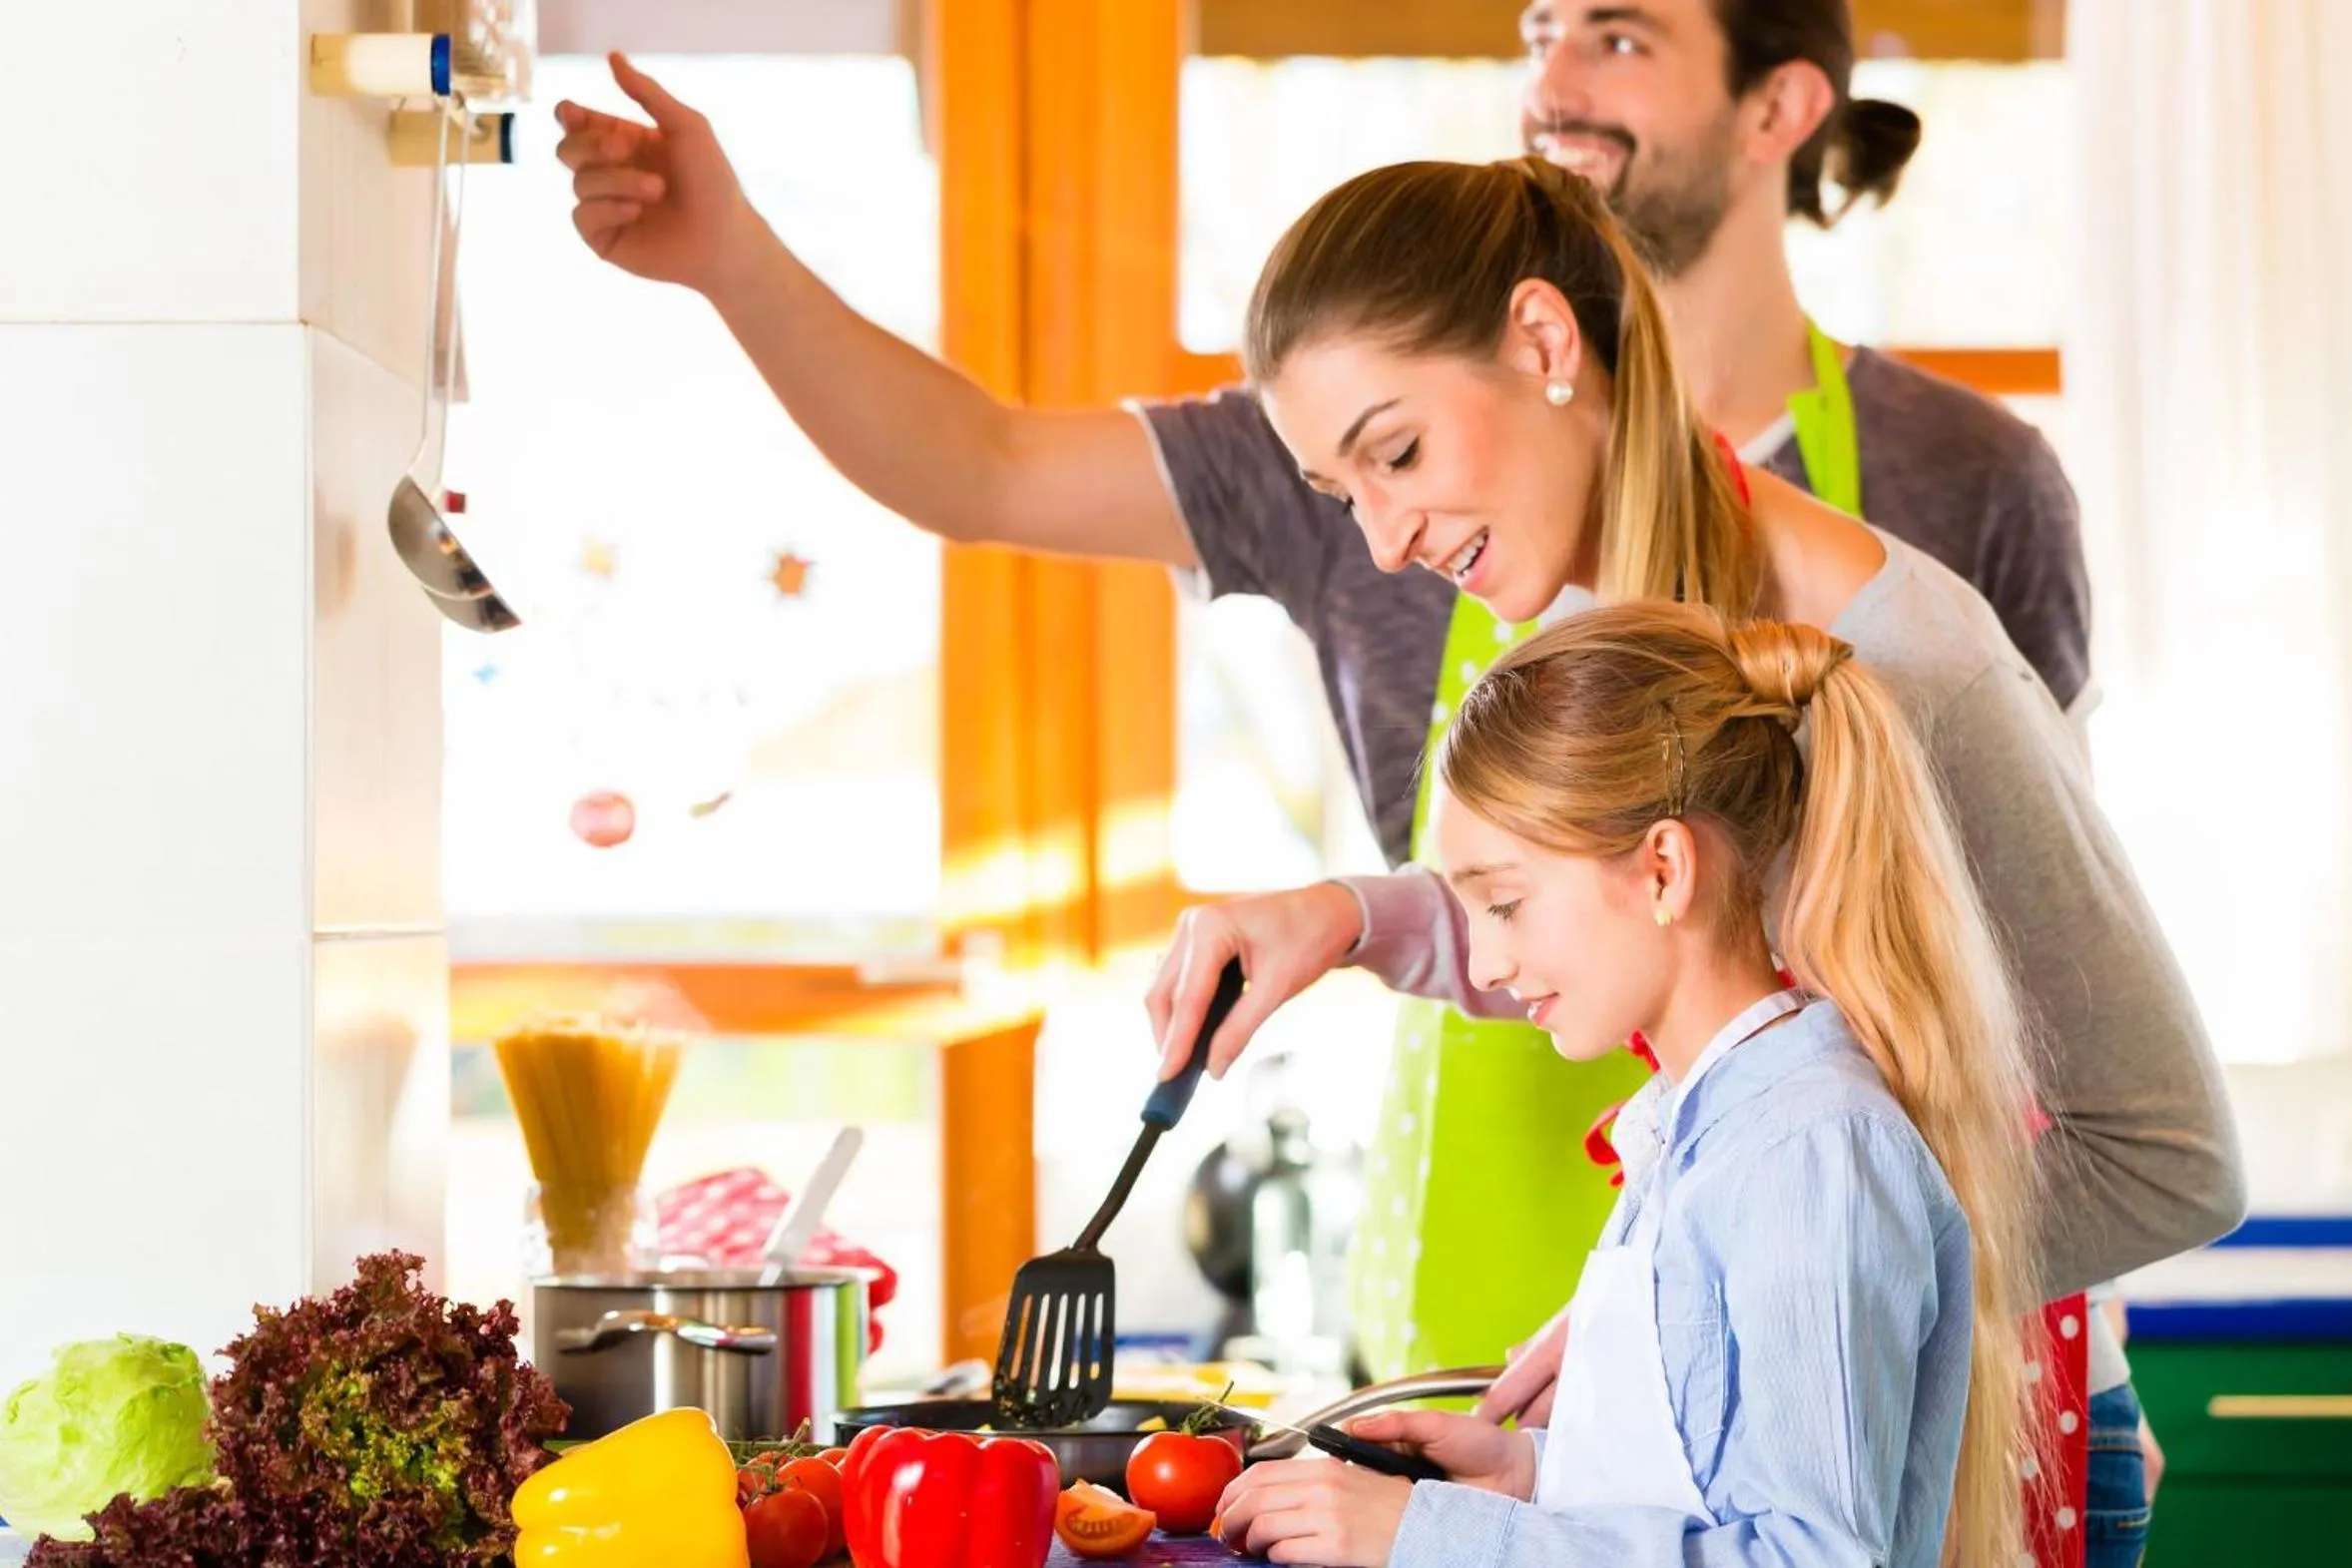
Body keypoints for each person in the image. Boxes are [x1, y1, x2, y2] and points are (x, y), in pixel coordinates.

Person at [552, 1, 2180, 1536]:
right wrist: (1364, 920)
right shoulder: (1463, 507)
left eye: (1396, 459)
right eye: (1346, 492)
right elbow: (981, 465)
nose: (1387, 537)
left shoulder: (1914, 603)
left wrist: (1717, 1290)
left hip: (1932, 1442)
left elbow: (2142, 1139)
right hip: (1585, 1431)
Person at [1211, 602, 2040, 1567]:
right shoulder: (1697, 1131)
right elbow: (1705, 1476)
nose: (1481, 963)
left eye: (1506, 902)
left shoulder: (1811, 1149)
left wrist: (1433, 1536)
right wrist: (1534, 1473)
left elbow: (1811, 1554)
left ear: (1661, 869)